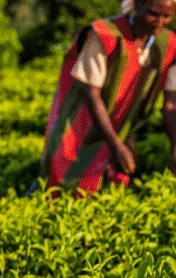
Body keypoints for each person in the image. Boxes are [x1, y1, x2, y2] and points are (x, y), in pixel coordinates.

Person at [39, 0, 176, 196]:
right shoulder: (105, 34)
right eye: (153, 14)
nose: (160, 22)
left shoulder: (170, 45)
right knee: (63, 187)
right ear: (137, 5)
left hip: (123, 127)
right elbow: (91, 94)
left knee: (111, 191)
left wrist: (175, 148)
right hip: (80, 125)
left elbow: (171, 103)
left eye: (167, 16)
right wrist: (116, 146)